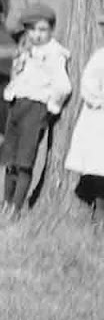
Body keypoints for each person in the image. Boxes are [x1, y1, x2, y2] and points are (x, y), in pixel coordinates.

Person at [1, 4, 71, 218]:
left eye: (42, 30)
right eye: (32, 30)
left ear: (51, 30)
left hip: (36, 107)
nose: (37, 35)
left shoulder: (54, 53)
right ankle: (6, 200)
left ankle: (17, 207)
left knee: (25, 159)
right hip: (17, 105)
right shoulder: (25, 48)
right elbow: (18, 74)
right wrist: (11, 92)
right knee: (10, 158)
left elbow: (62, 85)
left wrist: (52, 106)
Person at [63, 16, 104, 199]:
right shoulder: (100, 58)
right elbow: (88, 83)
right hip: (99, 117)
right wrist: (98, 98)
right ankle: (100, 210)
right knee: (99, 163)